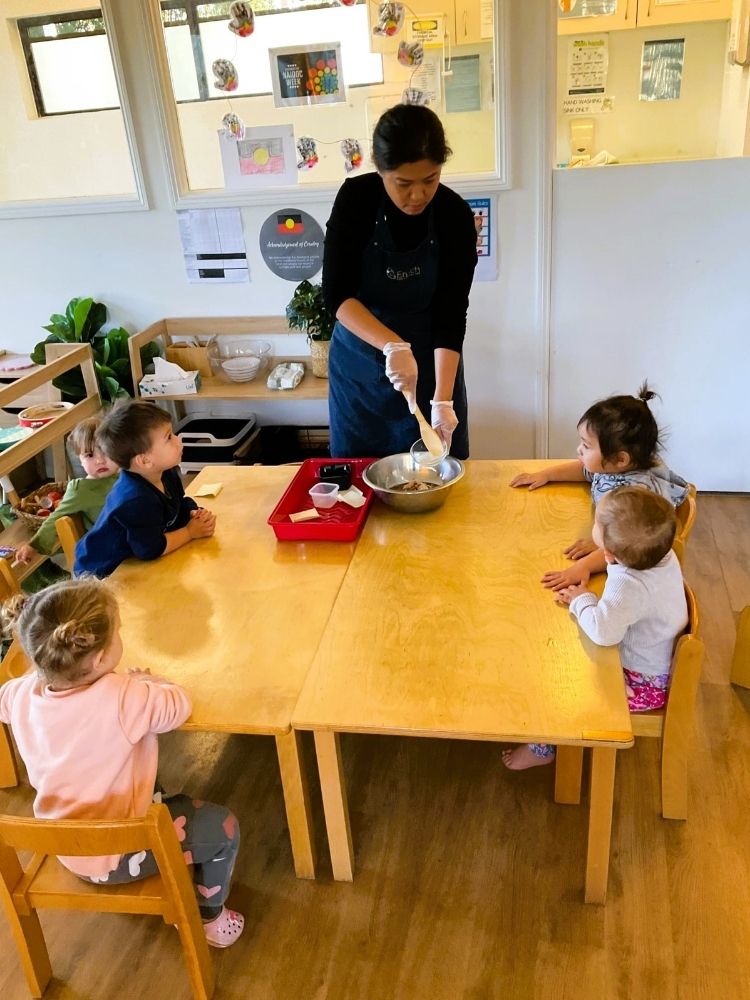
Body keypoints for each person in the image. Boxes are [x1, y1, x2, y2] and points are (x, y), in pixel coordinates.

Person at [0, 578, 244, 946]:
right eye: (118, 631)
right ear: (99, 658)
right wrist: (152, 681)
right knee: (224, 828)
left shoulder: (18, 692)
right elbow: (179, 706)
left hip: (66, 843)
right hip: (115, 854)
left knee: (137, 775)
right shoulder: (125, 697)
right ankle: (208, 916)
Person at [322, 103, 478, 459]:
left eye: (430, 179)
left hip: (431, 358)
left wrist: (442, 399)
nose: (418, 195)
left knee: (439, 465)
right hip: (360, 364)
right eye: (403, 183)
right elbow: (336, 294)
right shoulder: (356, 200)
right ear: (380, 169)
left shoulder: (453, 215)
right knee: (360, 476)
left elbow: (451, 313)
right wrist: (393, 345)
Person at [503, 487, 688, 769]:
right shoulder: (661, 555)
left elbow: (604, 632)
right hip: (654, 663)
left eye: (597, 525)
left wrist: (582, 600)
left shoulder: (628, 586)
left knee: (559, 685)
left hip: (641, 682)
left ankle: (543, 747)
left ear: (611, 553)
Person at [510, 383, 689, 591]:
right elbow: (585, 470)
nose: (579, 450)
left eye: (586, 446)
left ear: (620, 459)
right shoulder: (611, 467)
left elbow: (627, 547)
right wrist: (546, 475)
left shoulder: (633, 499)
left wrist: (588, 561)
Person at [74, 401, 215, 579]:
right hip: (101, 574)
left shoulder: (164, 472)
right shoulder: (136, 499)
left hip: (133, 560)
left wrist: (194, 513)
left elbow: (178, 504)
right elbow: (151, 549)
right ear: (145, 461)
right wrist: (189, 532)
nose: (178, 440)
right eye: (169, 437)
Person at [14, 417, 119, 565]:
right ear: (80, 459)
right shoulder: (80, 489)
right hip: (110, 553)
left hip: (136, 538)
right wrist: (33, 546)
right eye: (89, 455)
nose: (100, 460)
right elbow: (56, 517)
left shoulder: (125, 474)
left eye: (106, 451)